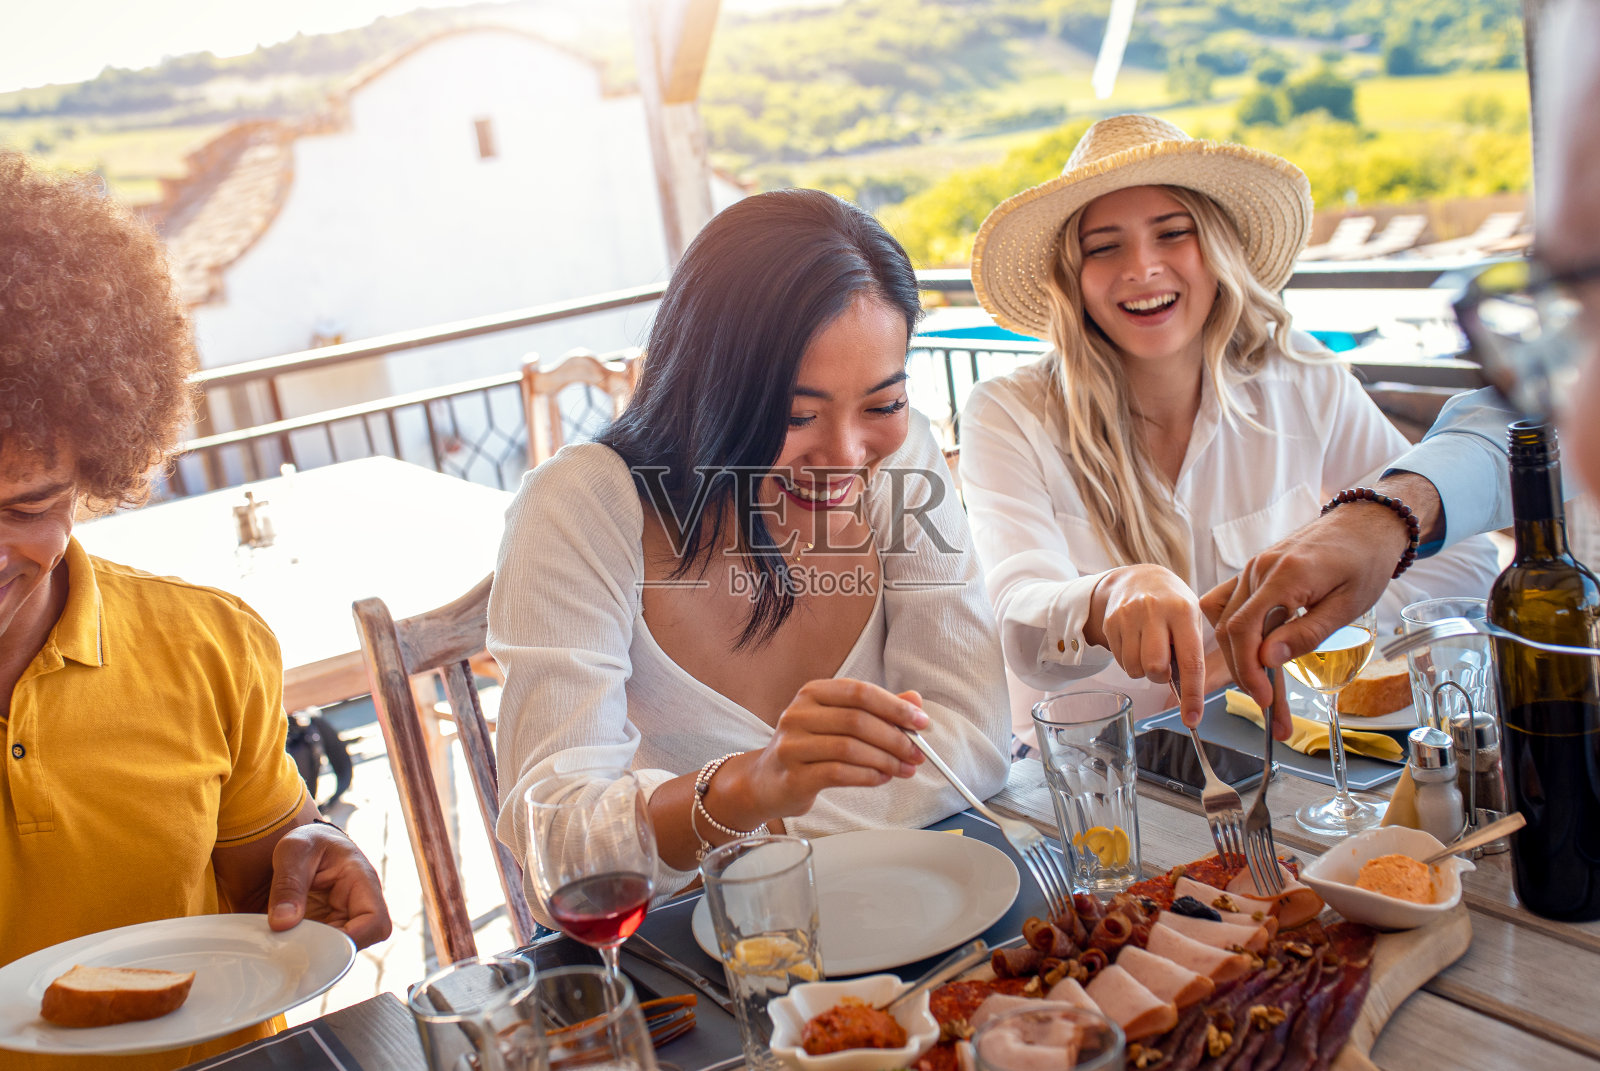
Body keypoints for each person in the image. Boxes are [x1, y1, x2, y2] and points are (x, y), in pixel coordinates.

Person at [490, 189, 1010, 902]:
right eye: (797, 414)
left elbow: (975, 744)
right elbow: (560, 850)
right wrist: (746, 786)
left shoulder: (903, 458)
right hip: (706, 969)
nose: (846, 453)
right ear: (708, 391)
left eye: (882, 403)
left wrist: (736, 830)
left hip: (910, 914)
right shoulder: (581, 508)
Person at [0, 151, 391, 1071]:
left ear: (95, 467)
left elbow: (269, 878)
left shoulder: (210, 644)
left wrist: (323, 858)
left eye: (27, 506)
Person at [957, 114, 1500, 746]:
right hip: (1094, 767)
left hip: (1279, 751)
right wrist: (1107, 598)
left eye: (1173, 233)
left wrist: (1304, 626)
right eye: (1104, 247)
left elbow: (1463, 563)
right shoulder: (1007, 411)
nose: (1141, 267)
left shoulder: (1300, 375)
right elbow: (1018, 620)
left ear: (1217, 249)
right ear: (1072, 278)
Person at [1205, 0, 1600, 727]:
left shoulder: (1300, 371)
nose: (1582, 442)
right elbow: (1500, 437)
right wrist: (1389, 511)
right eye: (1575, 306)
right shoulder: (1017, 411)